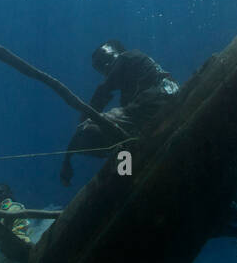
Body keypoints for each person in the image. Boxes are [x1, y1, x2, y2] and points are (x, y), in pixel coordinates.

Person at [59, 40, 179, 186]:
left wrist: (67, 159)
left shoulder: (128, 56)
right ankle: (125, 175)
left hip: (154, 102)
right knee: (122, 141)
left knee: (87, 129)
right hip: (161, 101)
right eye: (99, 66)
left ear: (118, 53)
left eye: (106, 59)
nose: (105, 67)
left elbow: (102, 92)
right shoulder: (133, 88)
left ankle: (123, 179)